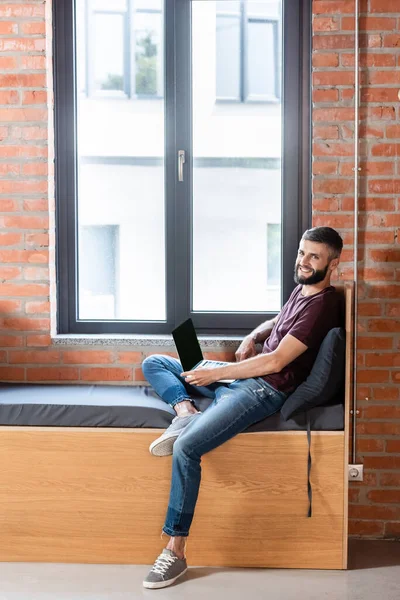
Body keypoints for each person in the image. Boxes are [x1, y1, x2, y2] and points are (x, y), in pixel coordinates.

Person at [141, 226, 343, 589]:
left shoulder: (324, 305)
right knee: (156, 362)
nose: (304, 261)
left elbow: (276, 362)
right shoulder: (303, 290)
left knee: (187, 449)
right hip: (244, 378)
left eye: (314, 256)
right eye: (302, 252)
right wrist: (254, 335)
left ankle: (176, 551)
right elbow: (278, 322)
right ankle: (186, 413)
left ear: (333, 263)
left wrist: (218, 375)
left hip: (262, 390)